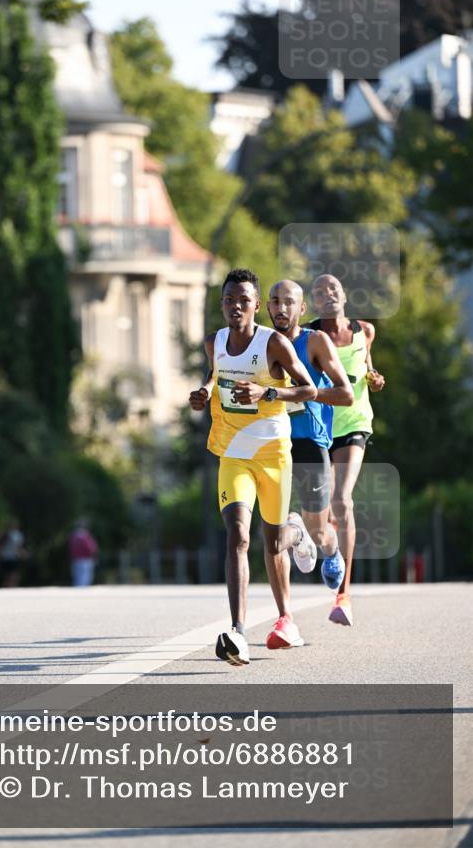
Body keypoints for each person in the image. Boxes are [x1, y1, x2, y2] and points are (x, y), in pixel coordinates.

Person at [189, 268, 318, 667]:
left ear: (256, 305)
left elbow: (309, 388)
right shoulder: (214, 342)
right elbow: (215, 374)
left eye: (244, 300)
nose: (236, 307)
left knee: (274, 542)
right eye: (229, 300)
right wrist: (204, 392)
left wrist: (268, 392)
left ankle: (297, 533)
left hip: (274, 453)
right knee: (238, 535)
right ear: (222, 304)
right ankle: (238, 631)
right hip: (233, 454)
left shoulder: (274, 343)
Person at [267, 280, 354, 643]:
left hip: (309, 442)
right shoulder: (261, 342)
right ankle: (285, 619)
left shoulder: (315, 341)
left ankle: (328, 548)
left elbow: (346, 394)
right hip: (271, 443)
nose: (281, 308)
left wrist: (302, 392)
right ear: (267, 308)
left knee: (319, 530)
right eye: (275, 301)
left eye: (289, 302)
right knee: (272, 532)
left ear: (301, 309)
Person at [307, 274, 386, 626]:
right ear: (313, 303)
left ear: (344, 296)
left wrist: (374, 378)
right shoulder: (308, 336)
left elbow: (368, 368)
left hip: (354, 424)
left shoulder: (364, 331)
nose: (328, 295)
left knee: (342, 500)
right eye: (320, 292)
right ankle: (327, 549)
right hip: (318, 428)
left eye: (333, 290)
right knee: (318, 514)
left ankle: (344, 595)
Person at [0, 520, 28, 588]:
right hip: (8, 557)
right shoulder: (8, 534)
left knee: (11, 575)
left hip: (11, 557)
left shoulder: (17, 535)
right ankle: (9, 588)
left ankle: (9, 587)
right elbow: (18, 547)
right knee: (11, 575)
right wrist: (23, 554)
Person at [69, 519, 98, 587]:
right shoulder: (85, 536)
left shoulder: (73, 536)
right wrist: (93, 555)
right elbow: (91, 548)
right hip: (85, 560)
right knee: (85, 579)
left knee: (77, 579)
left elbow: (71, 549)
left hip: (76, 559)